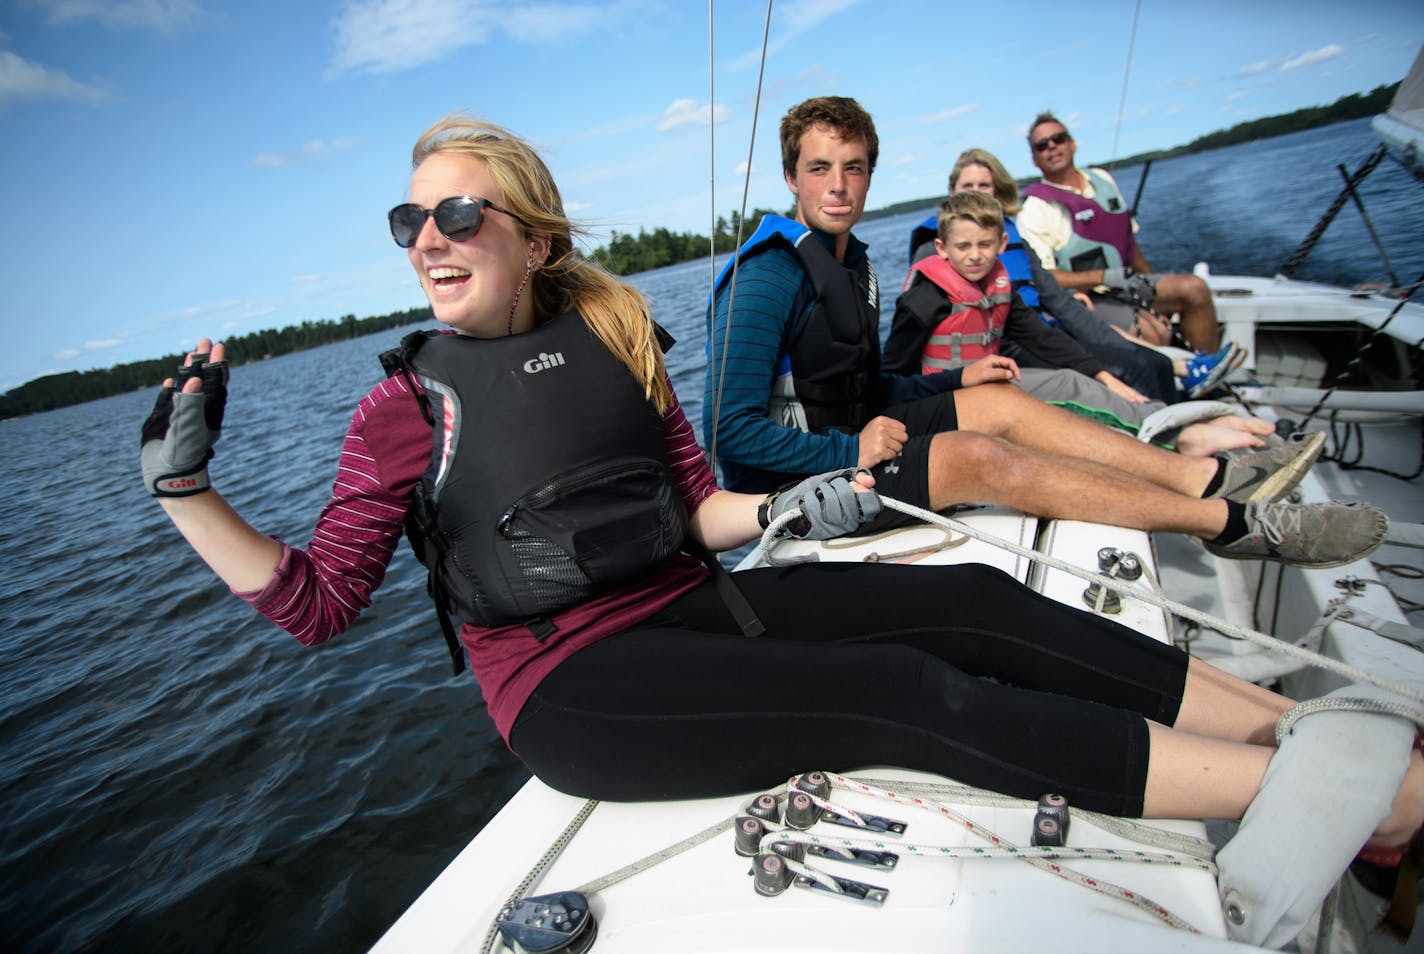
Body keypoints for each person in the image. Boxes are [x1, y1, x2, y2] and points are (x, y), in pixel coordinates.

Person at [140, 116, 1424, 903]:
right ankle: (1352, 805)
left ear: (528, 234)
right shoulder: (399, 410)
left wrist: (784, 506)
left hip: (698, 596)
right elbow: (318, 609)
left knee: (967, 598)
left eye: (458, 210)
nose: (429, 234)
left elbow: (696, 511)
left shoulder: (612, 330)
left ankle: (1307, 727)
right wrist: (187, 491)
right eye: (408, 216)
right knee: (901, 695)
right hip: (569, 686)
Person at [703, 95, 1383, 564]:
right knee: (978, 455)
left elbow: (857, 384)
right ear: (791, 175)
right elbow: (727, 434)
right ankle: (1235, 526)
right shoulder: (766, 276)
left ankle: (1203, 477)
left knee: (1001, 400)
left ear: (871, 174)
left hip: (857, 436)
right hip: (795, 485)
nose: (838, 185)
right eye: (820, 168)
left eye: (853, 168)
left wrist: (953, 377)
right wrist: (846, 450)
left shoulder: (854, 266)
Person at [885, 189, 1269, 447]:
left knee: (1076, 378)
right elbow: (892, 371)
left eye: (985, 244)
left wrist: (1103, 375)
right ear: (941, 248)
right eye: (963, 246)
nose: (975, 255)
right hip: (947, 400)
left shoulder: (997, 285)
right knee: (1068, 394)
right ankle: (1184, 437)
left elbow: (1043, 337)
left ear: (1002, 244)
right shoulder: (924, 299)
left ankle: (1178, 425)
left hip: (988, 387)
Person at [919, 147, 1239, 402]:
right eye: (968, 187)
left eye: (984, 186)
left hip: (1042, 331)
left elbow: (1058, 301)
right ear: (952, 192)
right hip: (1007, 347)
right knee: (1136, 368)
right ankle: (1165, 444)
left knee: (1146, 360)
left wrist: (1104, 336)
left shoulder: (1015, 240)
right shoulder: (942, 250)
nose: (978, 193)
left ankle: (1180, 420)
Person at [1018, 112, 1224, 355]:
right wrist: (1103, 277)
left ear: (1072, 144)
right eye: (1042, 146)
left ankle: (1209, 367)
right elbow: (1046, 276)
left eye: (1058, 139)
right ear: (1034, 159)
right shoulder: (1034, 209)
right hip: (1090, 298)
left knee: (1194, 288)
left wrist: (1151, 284)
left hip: (1128, 283)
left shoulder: (1103, 180)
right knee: (1154, 332)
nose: (1052, 147)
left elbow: (1128, 241)